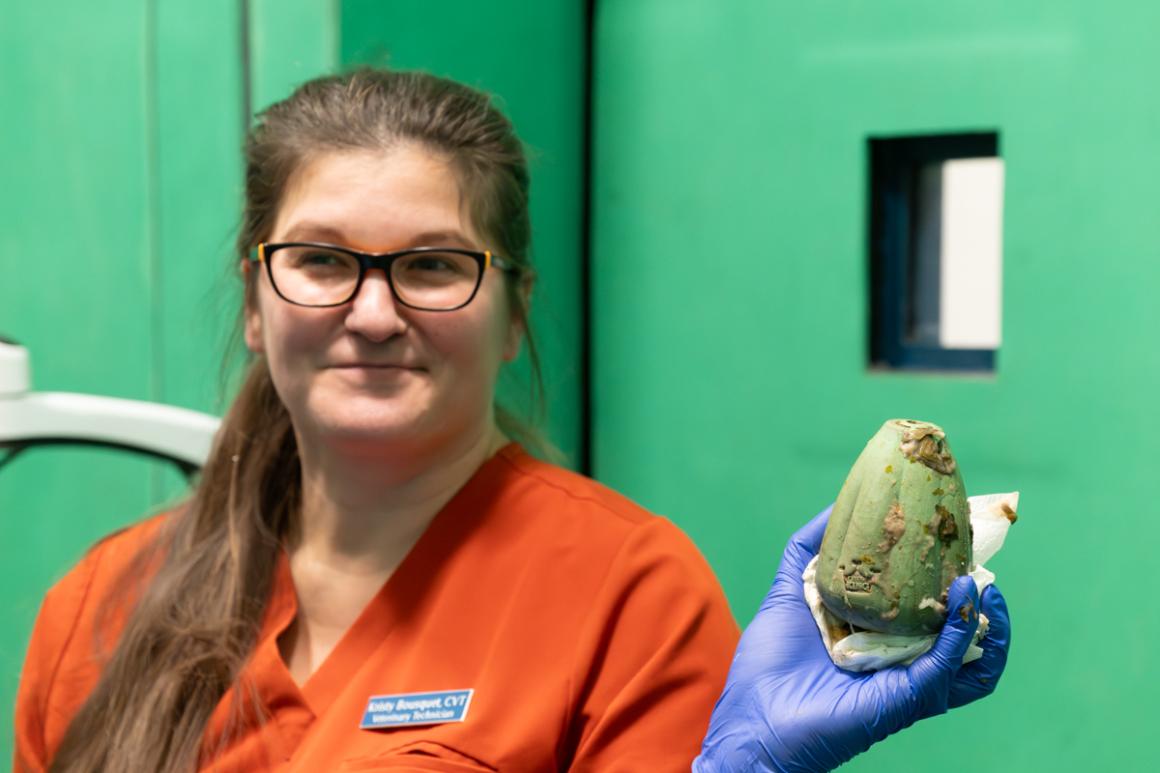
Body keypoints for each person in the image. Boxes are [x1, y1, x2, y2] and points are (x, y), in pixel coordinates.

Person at [13, 68, 1009, 773]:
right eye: (320, 260)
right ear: (252, 296)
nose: (370, 311)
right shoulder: (99, 605)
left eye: (431, 265)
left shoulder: (628, 596)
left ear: (513, 310)